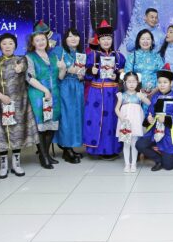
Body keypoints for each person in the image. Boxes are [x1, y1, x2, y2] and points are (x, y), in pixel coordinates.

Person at [0, 33, 39, 178]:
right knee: (1, 133)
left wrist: (20, 68)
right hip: (0, 103)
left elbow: (24, 69)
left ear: (15, 45)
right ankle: (3, 165)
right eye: (4, 43)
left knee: (17, 132)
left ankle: (16, 163)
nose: (7, 46)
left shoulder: (21, 59)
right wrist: (1, 96)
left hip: (18, 103)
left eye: (10, 43)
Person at [26, 21, 67, 169]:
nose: (41, 42)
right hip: (38, 95)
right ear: (33, 42)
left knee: (51, 125)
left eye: (43, 39)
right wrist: (45, 90)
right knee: (41, 126)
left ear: (47, 40)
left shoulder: (53, 56)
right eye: (37, 40)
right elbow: (29, 78)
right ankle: (43, 157)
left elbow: (60, 77)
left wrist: (63, 68)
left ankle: (47, 154)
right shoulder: (30, 57)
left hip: (54, 94)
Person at [83, 20, 126, 160]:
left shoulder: (118, 56)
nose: (106, 41)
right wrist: (91, 71)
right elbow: (85, 75)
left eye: (108, 38)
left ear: (112, 39)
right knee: (97, 120)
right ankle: (97, 149)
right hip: (96, 93)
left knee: (112, 120)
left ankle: (113, 149)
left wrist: (117, 76)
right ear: (99, 40)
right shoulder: (93, 55)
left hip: (113, 93)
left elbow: (124, 77)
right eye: (103, 39)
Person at [135, 64, 173, 171]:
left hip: (169, 133)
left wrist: (167, 119)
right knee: (139, 145)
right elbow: (150, 113)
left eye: (165, 82)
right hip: (155, 131)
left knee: (168, 166)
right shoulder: (155, 97)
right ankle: (158, 160)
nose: (162, 85)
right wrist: (149, 119)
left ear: (171, 83)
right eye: (159, 82)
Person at [52, 28, 85, 164]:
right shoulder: (59, 51)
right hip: (65, 87)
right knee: (66, 117)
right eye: (70, 36)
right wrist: (67, 69)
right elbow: (55, 72)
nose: (73, 38)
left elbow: (82, 74)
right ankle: (66, 148)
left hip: (78, 87)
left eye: (75, 36)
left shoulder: (81, 53)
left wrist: (81, 74)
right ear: (65, 39)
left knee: (76, 117)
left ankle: (71, 146)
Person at [115, 72, 150, 173]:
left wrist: (143, 95)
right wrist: (122, 118)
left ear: (138, 82)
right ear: (125, 83)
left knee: (134, 143)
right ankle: (127, 164)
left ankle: (133, 164)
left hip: (135, 122)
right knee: (126, 144)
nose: (131, 84)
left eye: (134, 81)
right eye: (129, 82)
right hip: (125, 122)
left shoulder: (139, 95)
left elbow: (149, 103)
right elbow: (116, 109)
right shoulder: (122, 95)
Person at [124, 29, 164, 105]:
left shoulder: (157, 56)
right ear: (138, 41)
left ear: (152, 41)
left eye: (148, 39)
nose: (145, 41)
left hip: (155, 94)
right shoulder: (132, 56)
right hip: (136, 94)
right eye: (142, 39)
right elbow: (127, 75)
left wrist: (155, 90)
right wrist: (138, 88)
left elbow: (162, 75)